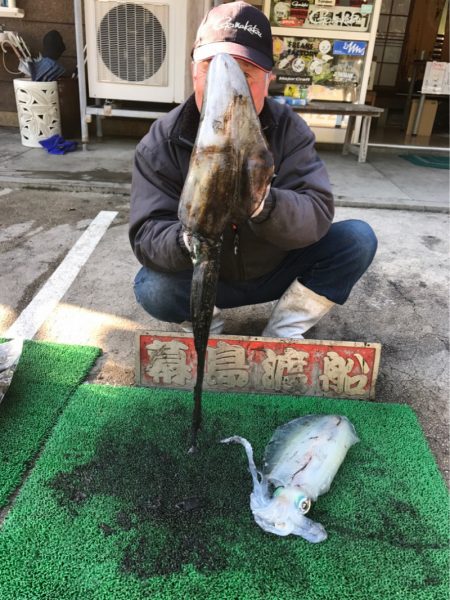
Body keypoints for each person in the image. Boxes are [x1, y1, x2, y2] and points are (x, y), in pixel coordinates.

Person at [129, 1, 377, 339]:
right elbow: (146, 235)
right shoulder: (162, 141)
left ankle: (284, 330)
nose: (227, 91)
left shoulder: (291, 130)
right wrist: (192, 235)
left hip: (278, 266)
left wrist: (263, 202)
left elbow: (316, 213)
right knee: (151, 285)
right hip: (207, 275)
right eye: (210, 71)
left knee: (357, 240)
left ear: (268, 80)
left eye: (245, 75)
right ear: (194, 72)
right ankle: (209, 326)